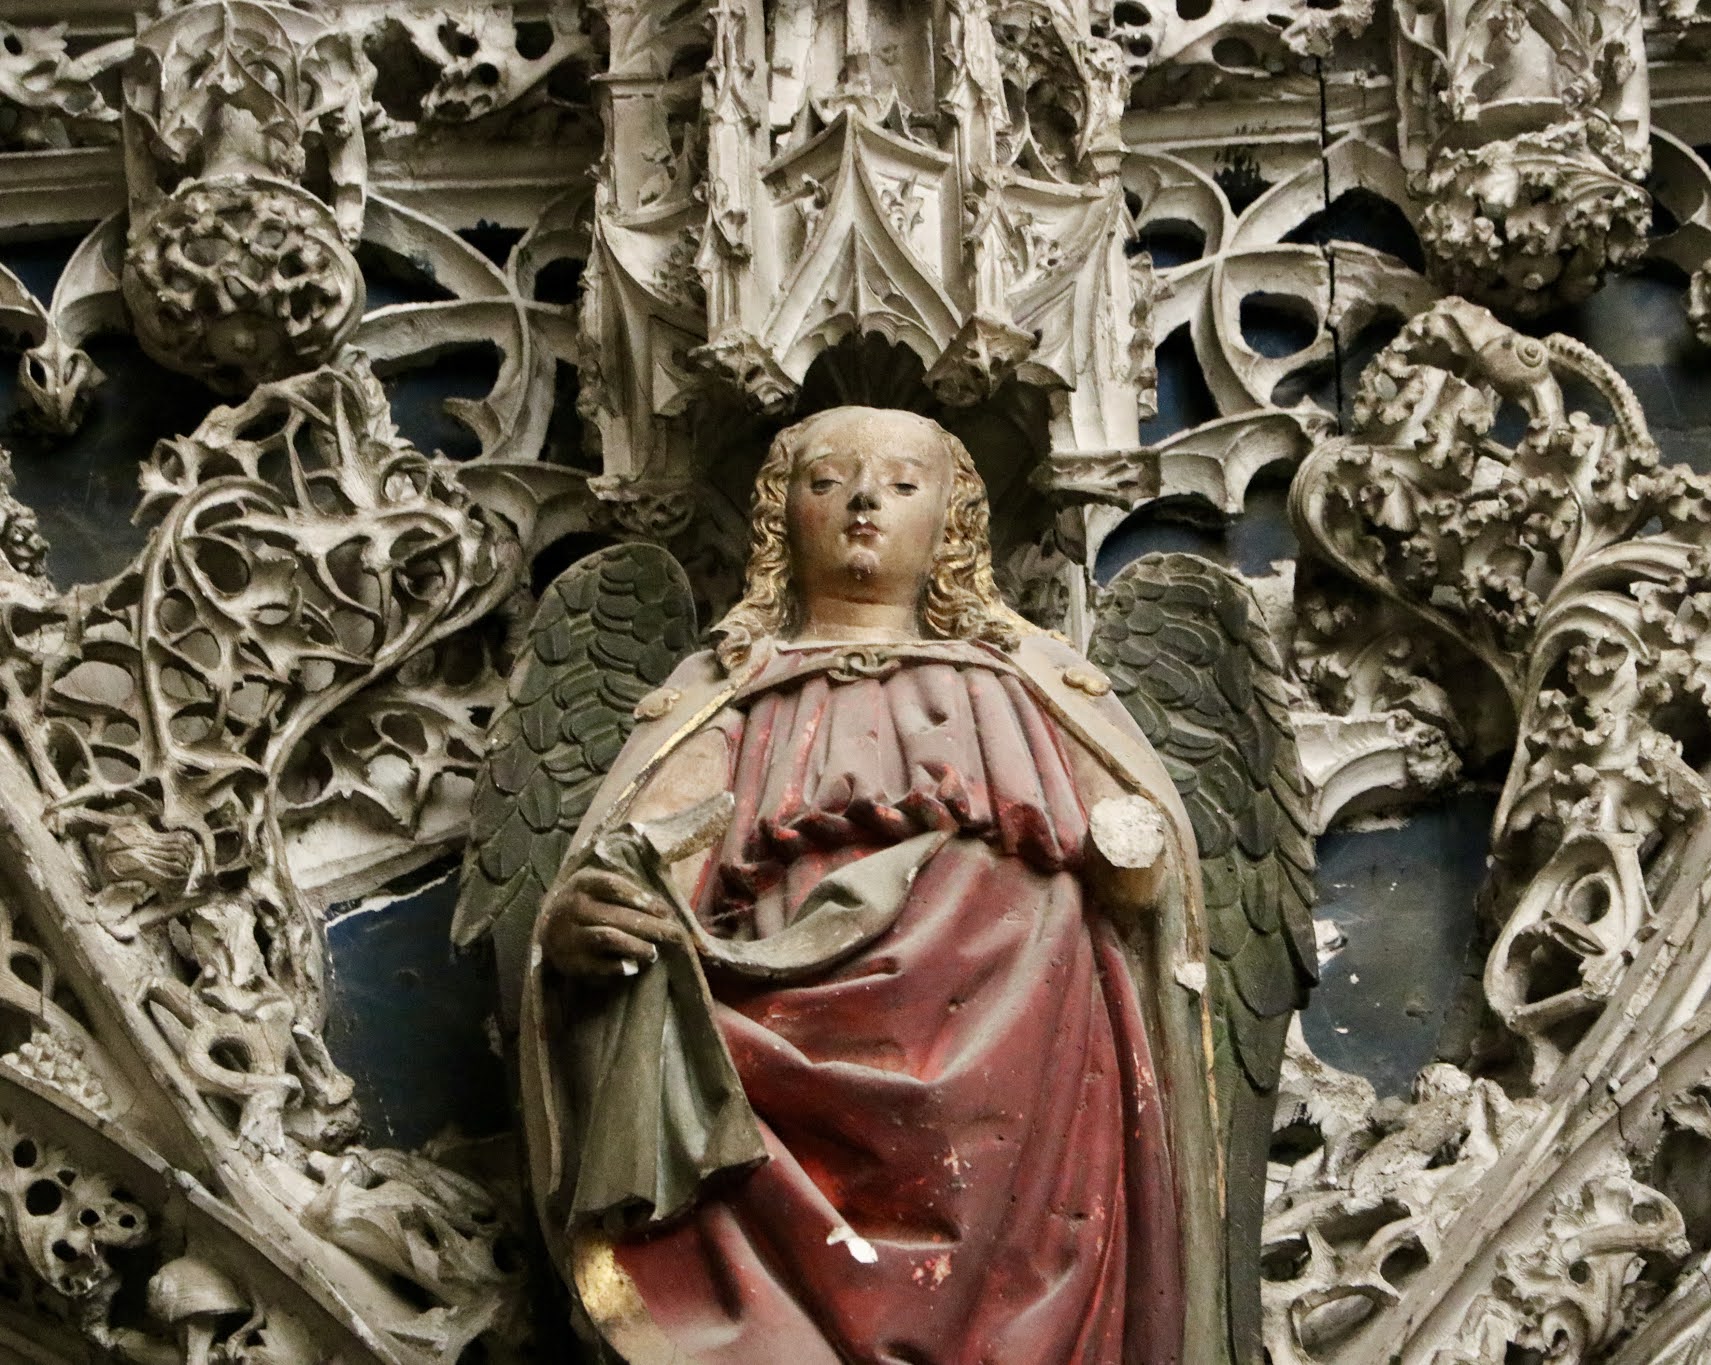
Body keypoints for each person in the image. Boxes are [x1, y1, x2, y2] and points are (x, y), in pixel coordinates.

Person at [520, 406, 1225, 1363]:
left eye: (901, 484)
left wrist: (1133, 851)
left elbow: (1145, 882)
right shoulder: (728, 693)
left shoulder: (1030, 684)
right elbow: (641, 870)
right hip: (774, 1065)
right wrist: (583, 923)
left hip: (1024, 1072)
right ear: (781, 518)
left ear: (951, 523)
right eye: (827, 481)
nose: (863, 501)